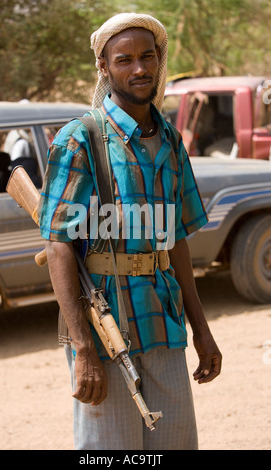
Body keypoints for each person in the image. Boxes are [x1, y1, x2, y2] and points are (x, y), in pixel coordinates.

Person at [37, 13, 222, 450]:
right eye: (124, 60)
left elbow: (175, 242)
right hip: (104, 329)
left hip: (163, 321)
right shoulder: (80, 138)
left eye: (147, 56)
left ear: (159, 61)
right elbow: (59, 245)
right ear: (104, 67)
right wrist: (83, 348)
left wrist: (202, 329)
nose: (139, 68)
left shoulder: (173, 141)